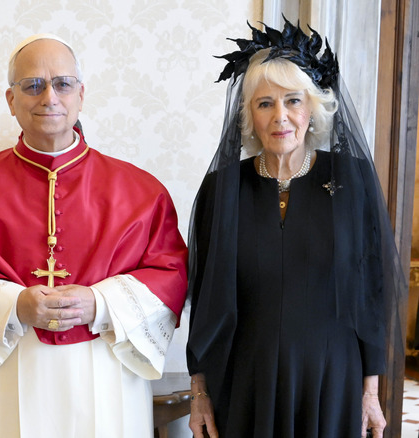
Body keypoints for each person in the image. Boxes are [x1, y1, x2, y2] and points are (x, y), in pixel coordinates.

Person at [0, 34, 188, 437]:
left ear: (81, 94)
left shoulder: (141, 191)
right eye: (33, 85)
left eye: (62, 83)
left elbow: (171, 274)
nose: (49, 97)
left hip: (106, 365)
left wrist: (99, 301)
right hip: (6, 362)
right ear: (11, 100)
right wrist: (14, 304)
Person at [186, 18, 404, 438]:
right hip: (246, 380)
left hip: (333, 378)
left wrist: (371, 392)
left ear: (313, 108)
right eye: (264, 103)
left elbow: (372, 290)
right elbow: (206, 300)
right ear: (249, 113)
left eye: (293, 100)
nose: (280, 116)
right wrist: (199, 393)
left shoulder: (352, 179)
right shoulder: (223, 187)